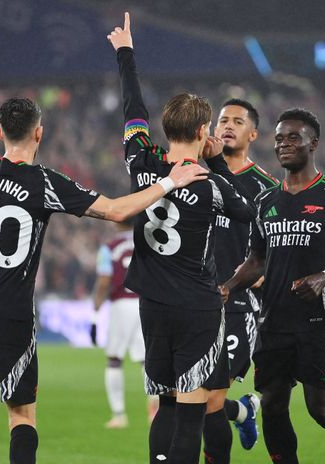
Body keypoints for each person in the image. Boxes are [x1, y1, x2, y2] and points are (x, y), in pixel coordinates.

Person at [0, 97, 208, 464]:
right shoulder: (44, 182)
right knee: (21, 418)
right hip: (12, 318)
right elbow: (117, 211)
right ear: (39, 133)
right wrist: (170, 181)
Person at [108, 13, 257, 464]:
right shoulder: (210, 184)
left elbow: (133, 110)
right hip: (197, 306)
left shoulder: (140, 161)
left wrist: (125, 53)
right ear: (201, 133)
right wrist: (216, 162)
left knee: (165, 406)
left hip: (152, 305)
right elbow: (245, 210)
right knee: (192, 414)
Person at [220, 108, 325, 464]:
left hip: (317, 321)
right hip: (273, 322)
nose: (284, 144)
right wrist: (228, 287)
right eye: (279, 139)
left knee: (322, 409)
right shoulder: (265, 201)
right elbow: (256, 260)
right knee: (273, 405)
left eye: (293, 138)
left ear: (313, 143)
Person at [205, 98, 280, 461]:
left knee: (209, 398)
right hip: (197, 302)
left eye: (237, 121)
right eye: (223, 120)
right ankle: (243, 410)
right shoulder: (196, 175)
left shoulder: (266, 188)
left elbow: (278, 246)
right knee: (196, 399)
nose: (228, 126)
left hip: (238, 305)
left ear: (253, 134)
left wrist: (265, 276)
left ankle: (238, 411)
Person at [90, 219, 159, 429]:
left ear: (115, 223)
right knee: (147, 360)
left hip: (121, 305)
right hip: (146, 303)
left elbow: (104, 281)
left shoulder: (109, 248)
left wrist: (95, 313)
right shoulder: (147, 242)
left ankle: (119, 415)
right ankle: (155, 407)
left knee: (114, 359)